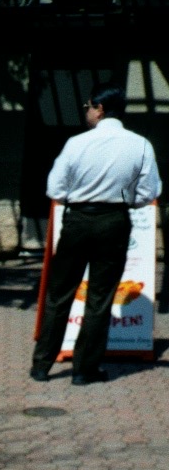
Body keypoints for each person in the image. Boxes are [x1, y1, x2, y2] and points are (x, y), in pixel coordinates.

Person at [32, 84, 162, 387]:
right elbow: (149, 192)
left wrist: (78, 195)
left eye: (88, 106)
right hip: (114, 220)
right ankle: (84, 369)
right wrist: (125, 198)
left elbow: (55, 189)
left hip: (78, 218)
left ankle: (41, 364)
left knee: (59, 293)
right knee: (100, 298)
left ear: (100, 109)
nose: (87, 112)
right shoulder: (141, 144)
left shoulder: (77, 143)